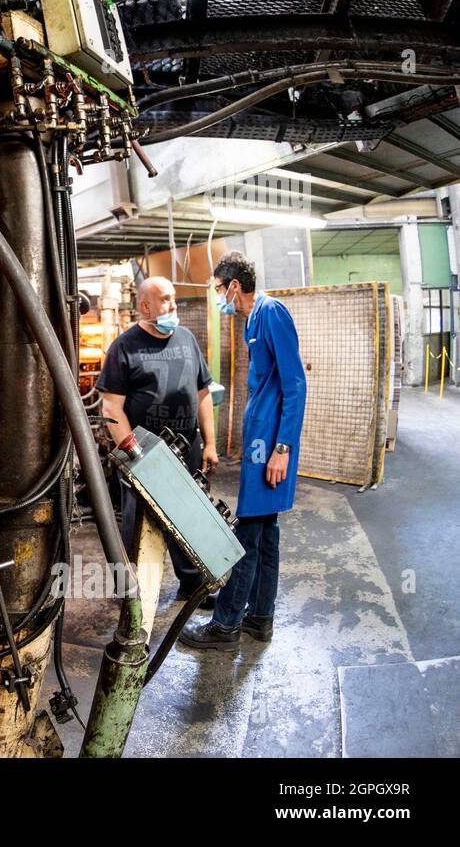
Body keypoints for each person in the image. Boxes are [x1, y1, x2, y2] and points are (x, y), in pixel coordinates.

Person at [180, 251, 306, 649]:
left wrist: (282, 448)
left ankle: (226, 625)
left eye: (219, 288)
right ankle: (260, 617)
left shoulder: (272, 313)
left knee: (247, 534)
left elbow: (295, 385)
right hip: (261, 441)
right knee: (266, 533)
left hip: (270, 444)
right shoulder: (253, 319)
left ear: (234, 286)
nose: (218, 296)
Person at [97, 275, 219, 603]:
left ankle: (192, 583)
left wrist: (210, 443)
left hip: (187, 448)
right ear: (145, 306)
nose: (173, 306)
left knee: (187, 517)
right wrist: (132, 451)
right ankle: (133, 594)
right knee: (138, 525)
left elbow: (203, 393)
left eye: (174, 299)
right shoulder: (124, 346)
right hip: (144, 454)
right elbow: (111, 407)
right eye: (165, 299)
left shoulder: (187, 339)